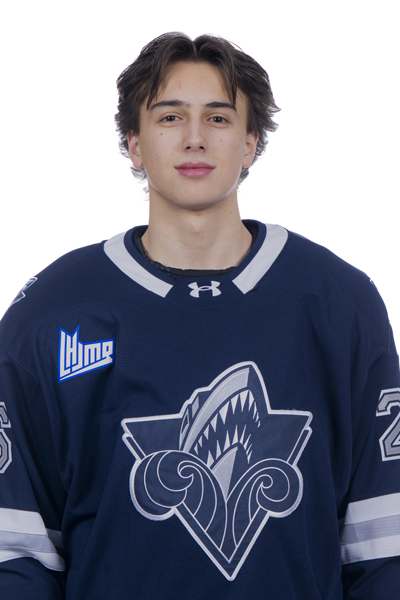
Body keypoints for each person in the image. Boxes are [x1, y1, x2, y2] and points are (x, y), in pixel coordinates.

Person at [0, 32, 399, 600]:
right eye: (169, 117)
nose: (194, 138)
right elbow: (17, 552)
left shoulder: (340, 303)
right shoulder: (54, 312)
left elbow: (383, 547)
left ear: (250, 143)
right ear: (134, 144)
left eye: (218, 118)